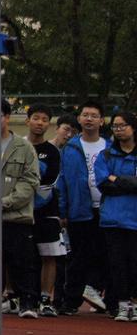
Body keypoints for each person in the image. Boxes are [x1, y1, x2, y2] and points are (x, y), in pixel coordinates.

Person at [61, 103, 110, 314]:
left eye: (94, 115)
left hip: (107, 208)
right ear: (79, 119)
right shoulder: (71, 147)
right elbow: (62, 181)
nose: (89, 119)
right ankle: (71, 301)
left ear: (102, 120)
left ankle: (97, 291)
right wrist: (63, 210)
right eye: (85, 115)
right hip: (80, 208)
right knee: (78, 255)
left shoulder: (109, 147)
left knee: (104, 253)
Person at [0, 105, 43, 315]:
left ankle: (28, 303)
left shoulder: (23, 148)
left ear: (7, 117)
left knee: (23, 262)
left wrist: (5, 202)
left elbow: (30, 181)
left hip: (17, 216)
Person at [93, 110, 137, 321]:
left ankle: (135, 304)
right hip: (112, 218)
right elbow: (103, 183)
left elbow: (113, 181)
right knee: (117, 264)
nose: (119, 130)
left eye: (123, 126)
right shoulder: (106, 154)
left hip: (134, 219)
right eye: (115, 126)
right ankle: (122, 304)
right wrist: (128, 182)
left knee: (134, 263)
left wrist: (117, 178)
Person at [26, 103, 66, 318]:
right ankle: (15, 296)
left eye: (44, 119)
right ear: (28, 120)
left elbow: (49, 180)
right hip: (20, 210)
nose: (39, 123)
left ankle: (44, 298)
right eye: (36, 118)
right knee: (19, 255)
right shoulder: (18, 147)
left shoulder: (53, 152)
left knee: (49, 256)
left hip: (47, 210)